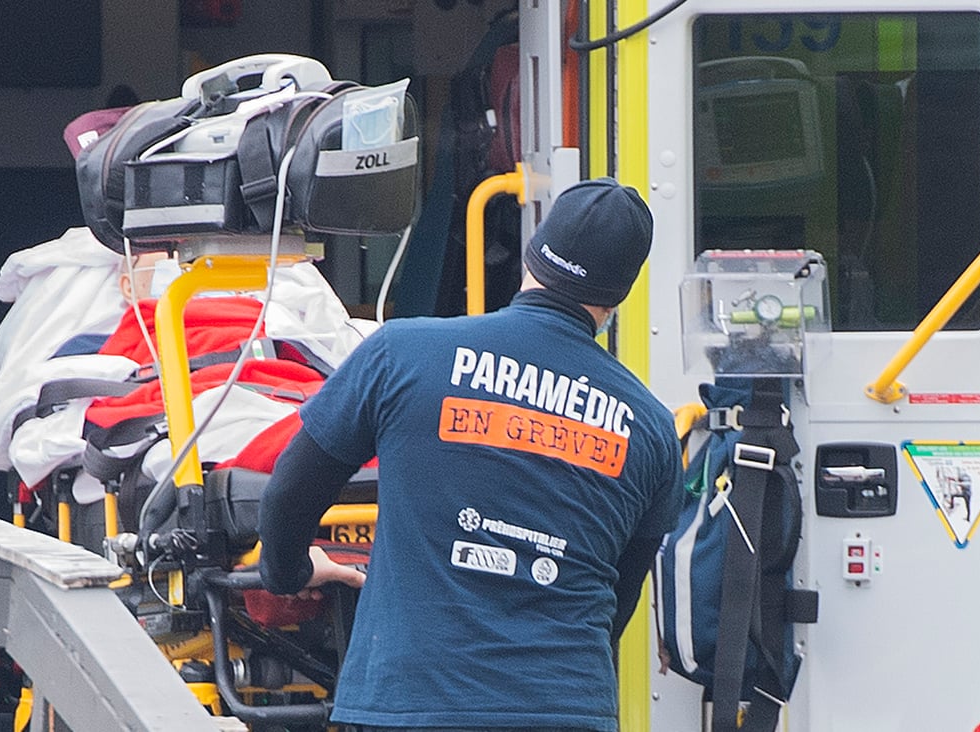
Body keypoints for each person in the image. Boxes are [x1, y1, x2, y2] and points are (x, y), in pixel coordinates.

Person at [257, 178, 684, 732]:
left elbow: (290, 494)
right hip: (564, 710)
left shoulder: (401, 353)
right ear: (618, 295)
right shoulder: (650, 429)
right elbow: (616, 605)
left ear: (532, 255)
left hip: (413, 703)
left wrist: (287, 572)